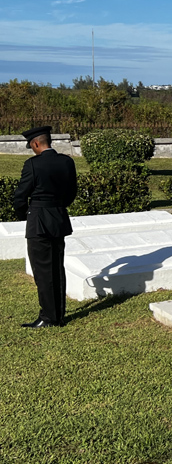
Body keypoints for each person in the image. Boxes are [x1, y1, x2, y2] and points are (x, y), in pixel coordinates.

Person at [13, 126, 78, 328]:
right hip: (58, 219)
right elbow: (71, 193)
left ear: (35, 143)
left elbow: (20, 197)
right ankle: (58, 315)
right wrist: (57, 207)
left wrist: (24, 215)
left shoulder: (32, 165)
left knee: (42, 272)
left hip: (38, 222)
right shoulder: (67, 162)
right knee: (57, 268)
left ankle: (48, 318)